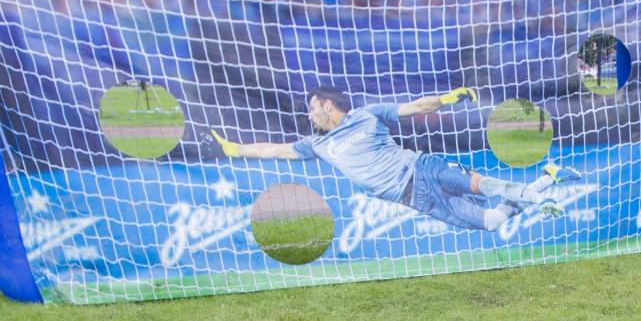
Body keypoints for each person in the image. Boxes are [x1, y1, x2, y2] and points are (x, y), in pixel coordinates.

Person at [210, 86, 576, 232]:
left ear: (325, 104)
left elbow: (415, 107)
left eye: (311, 108)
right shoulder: (316, 145)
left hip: (422, 168)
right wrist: (236, 149)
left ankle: (537, 197)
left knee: (480, 182)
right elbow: (274, 149)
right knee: (493, 222)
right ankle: (544, 181)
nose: (309, 115)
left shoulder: (369, 114)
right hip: (414, 198)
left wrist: (447, 99)